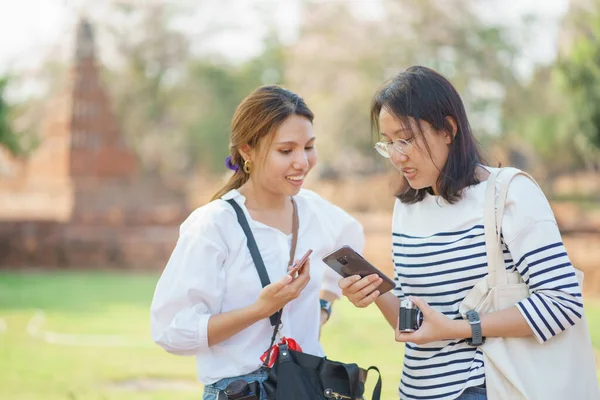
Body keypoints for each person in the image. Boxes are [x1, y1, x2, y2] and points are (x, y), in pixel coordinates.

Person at [339, 66, 585, 400]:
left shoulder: (507, 193)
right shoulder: (407, 208)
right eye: (388, 144)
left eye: (406, 139)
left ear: (448, 129)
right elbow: (414, 322)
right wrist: (375, 292)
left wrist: (461, 328)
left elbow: (563, 302)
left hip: (487, 388)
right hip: (417, 391)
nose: (397, 156)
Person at [150, 85, 364, 400]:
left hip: (307, 386)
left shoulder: (316, 211)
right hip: (241, 391)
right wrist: (260, 309)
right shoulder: (213, 224)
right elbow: (173, 331)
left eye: (309, 147)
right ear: (248, 150)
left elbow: (351, 238)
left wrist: (324, 304)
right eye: (286, 150)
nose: (302, 162)